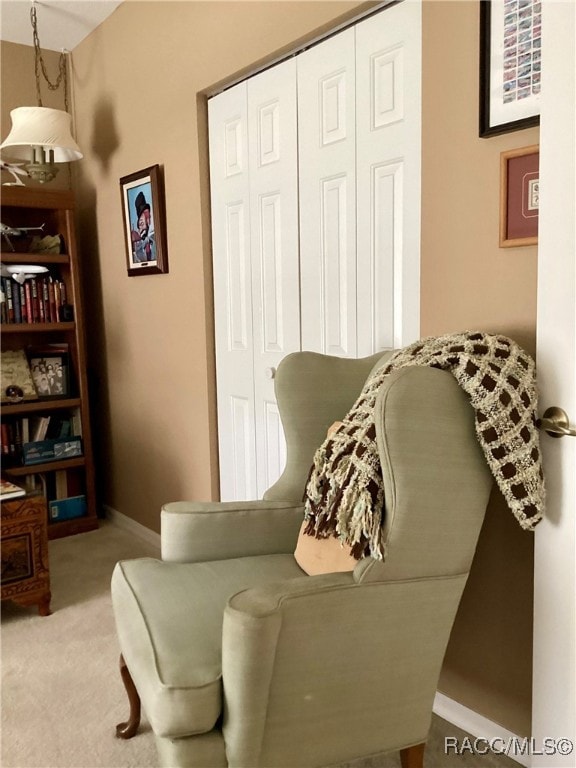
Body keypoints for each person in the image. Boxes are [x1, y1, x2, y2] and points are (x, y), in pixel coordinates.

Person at [131, 191, 156, 262]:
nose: (140, 223)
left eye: (142, 219)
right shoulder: (143, 242)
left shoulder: (152, 237)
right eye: (139, 220)